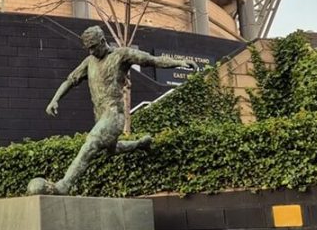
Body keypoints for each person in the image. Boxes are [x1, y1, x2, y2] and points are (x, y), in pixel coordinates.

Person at [26, 26, 199, 195]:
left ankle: (64, 185)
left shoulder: (121, 55)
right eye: (88, 49)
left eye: (93, 47)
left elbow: (152, 60)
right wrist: (55, 100)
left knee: (91, 143)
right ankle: (142, 143)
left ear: (102, 41)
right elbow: (70, 81)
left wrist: (179, 63)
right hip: (100, 115)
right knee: (111, 150)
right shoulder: (89, 62)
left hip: (114, 113)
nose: (91, 52)